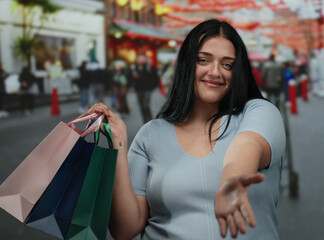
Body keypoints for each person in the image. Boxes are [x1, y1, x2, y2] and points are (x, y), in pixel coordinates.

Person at [89, 19, 285, 239]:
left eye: (227, 64)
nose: (215, 72)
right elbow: (125, 229)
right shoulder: (151, 133)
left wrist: (231, 182)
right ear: (186, 64)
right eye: (203, 60)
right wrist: (118, 142)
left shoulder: (258, 112)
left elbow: (247, 146)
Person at [131, 53, 159, 123]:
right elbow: (129, 78)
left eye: (142, 58)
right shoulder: (134, 68)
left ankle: (150, 120)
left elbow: (155, 78)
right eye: (139, 58)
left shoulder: (149, 68)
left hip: (147, 89)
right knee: (141, 106)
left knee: (146, 105)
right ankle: (145, 121)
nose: (140, 60)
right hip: (138, 89)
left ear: (145, 60)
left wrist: (153, 86)